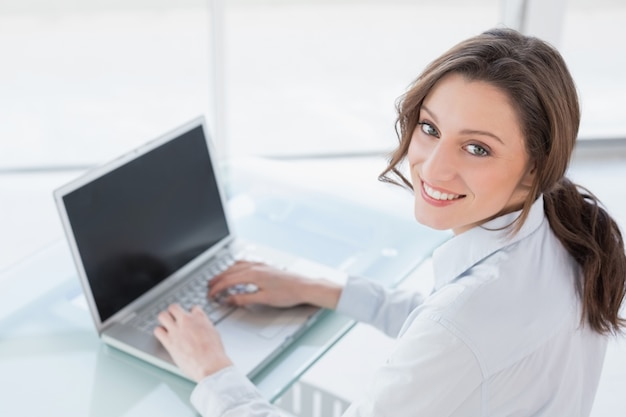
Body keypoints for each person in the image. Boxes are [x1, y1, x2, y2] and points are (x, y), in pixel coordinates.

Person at [153, 28, 626, 416]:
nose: (433, 167)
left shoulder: (462, 323)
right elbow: (455, 333)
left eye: (477, 148)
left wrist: (214, 371)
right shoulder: (561, 232)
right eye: (430, 128)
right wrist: (321, 287)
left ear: (535, 167)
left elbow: (455, 334)